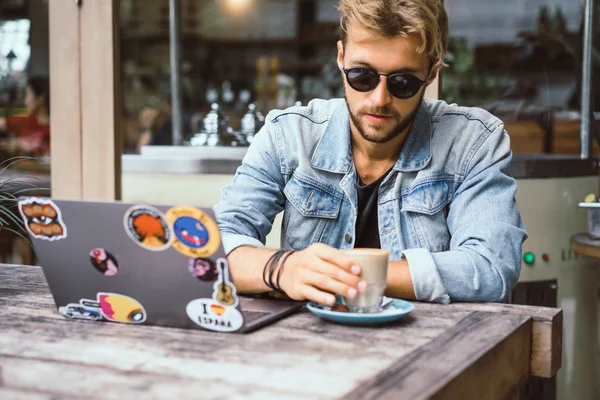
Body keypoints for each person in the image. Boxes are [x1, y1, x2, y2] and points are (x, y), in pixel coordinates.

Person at [214, 0, 527, 306]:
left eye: (402, 82)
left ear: (430, 73)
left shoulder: (473, 142)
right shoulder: (289, 135)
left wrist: (345, 276)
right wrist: (281, 269)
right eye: (362, 76)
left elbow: (490, 268)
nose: (379, 99)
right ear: (341, 57)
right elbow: (212, 248)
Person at [0, 76, 50, 158]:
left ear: (41, 98)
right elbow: (2, 123)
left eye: (27, 95)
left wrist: (23, 147)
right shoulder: (26, 121)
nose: (25, 101)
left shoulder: (55, 129)